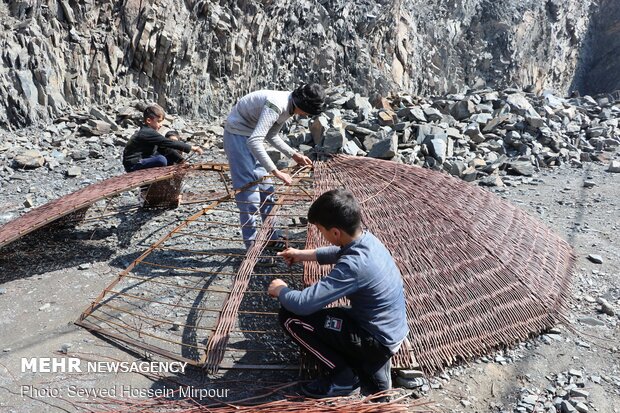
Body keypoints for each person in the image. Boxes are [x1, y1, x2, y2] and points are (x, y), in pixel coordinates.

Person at [268, 189, 409, 398]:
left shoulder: (353, 267)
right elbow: (339, 251)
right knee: (333, 315)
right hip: (388, 330)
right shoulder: (367, 240)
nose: (320, 235)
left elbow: (303, 304)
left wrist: (281, 290)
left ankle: (343, 379)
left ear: (335, 233)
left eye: (320, 230)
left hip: (375, 340)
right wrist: (302, 255)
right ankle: (373, 364)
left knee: (290, 317)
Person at [223, 83, 325, 251]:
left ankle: (271, 236)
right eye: (307, 112)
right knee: (249, 195)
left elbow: (271, 135)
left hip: (251, 135)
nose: (306, 115)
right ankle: (252, 246)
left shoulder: (290, 106)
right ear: (303, 105)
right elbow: (255, 141)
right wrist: (276, 172)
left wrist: (294, 154)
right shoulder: (277, 105)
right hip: (237, 135)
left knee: (267, 190)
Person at [123, 105, 203, 173]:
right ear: (149, 120)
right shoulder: (146, 132)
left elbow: (165, 148)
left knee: (167, 156)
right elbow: (168, 142)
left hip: (141, 161)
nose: (161, 125)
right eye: (159, 121)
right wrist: (192, 148)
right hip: (133, 165)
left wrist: (181, 161)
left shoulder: (150, 133)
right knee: (161, 159)